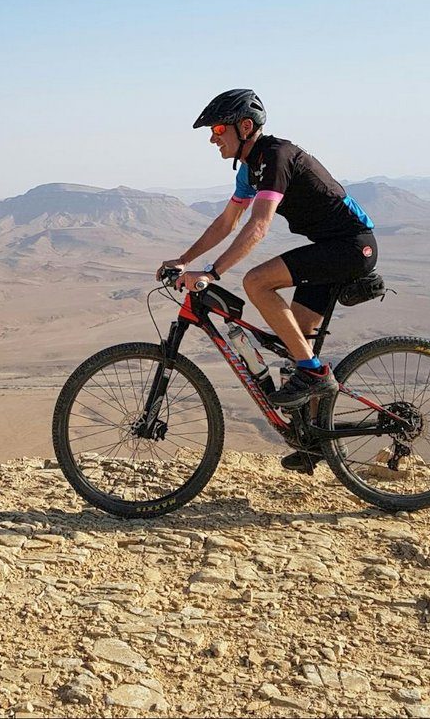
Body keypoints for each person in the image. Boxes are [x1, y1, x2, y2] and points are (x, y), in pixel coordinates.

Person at [158, 89, 378, 470]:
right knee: (298, 344)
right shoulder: (250, 169)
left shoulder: (275, 156)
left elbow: (259, 226)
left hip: (351, 247)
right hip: (332, 247)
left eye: (218, 129)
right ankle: (313, 441)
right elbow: (227, 222)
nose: (213, 138)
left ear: (245, 127)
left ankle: (314, 375)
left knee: (256, 282)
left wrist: (212, 272)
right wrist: (184, 260)